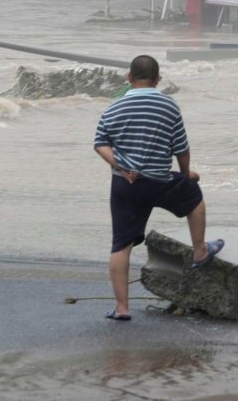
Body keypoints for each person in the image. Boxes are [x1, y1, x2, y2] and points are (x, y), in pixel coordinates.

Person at [93, 54, 224, 321]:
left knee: (121, 245)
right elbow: (181, 147)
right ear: (157, 79)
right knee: (195, 199)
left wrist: (119, 165)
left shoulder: (114, 108)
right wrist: (187, 174)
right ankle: (200, 250)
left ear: (129, 77)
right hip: (160, 181)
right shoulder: (168, 106)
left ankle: (122, 308)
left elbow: (100, 143)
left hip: (125, 184)